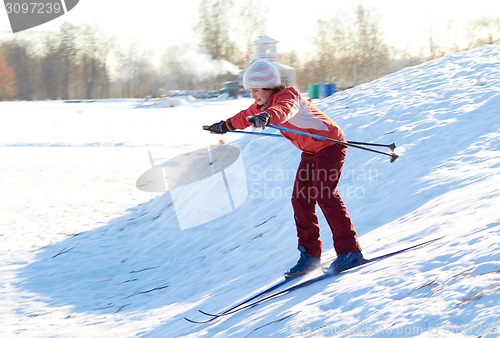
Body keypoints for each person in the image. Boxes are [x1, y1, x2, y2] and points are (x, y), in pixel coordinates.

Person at [203, 60, 363, 278]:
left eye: (256, 90)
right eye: (250, 91)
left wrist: (267, 117)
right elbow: (243, 117)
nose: (253, 95)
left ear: (269, 86)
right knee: (300, 199)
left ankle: (349, 251)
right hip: (311, 151)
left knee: (324, 193)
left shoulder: (289, 96)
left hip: (330, 144)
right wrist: (223, 126)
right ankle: (310, 255)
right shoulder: (261, 107)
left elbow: (283, 110)